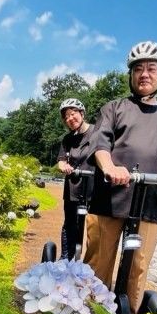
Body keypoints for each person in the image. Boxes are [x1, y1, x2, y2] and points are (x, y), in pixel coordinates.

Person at [84, 40, 157, 314]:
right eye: (138, 68)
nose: (144, 74)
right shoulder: (115, 108)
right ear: (131, 75)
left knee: (138, 268)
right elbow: (100, 145)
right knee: (97, 263)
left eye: (151, 68)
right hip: (109, 199)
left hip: (149, 204)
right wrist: (109, 167)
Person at [56, 98, 95, 259]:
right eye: (66, 117)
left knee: (95, 228)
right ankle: (65, 257)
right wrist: (63, 165)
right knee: (70, 224)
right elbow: (61, 160)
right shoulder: (68, 139)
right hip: (73, 187)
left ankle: (92, 264)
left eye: (72, 114)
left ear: (82, 113)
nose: (69, 119)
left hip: (94, 188)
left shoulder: (97, 132)